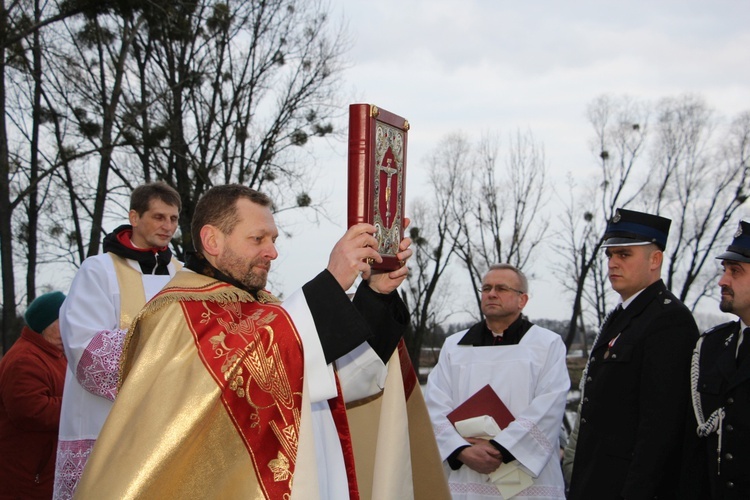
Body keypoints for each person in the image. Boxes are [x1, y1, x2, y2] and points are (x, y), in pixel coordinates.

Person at [74, 184, 448, 499]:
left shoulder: (262, 307)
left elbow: (329, 377)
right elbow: (250, 369)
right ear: (212, 240)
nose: (273, 251)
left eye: (273, 239)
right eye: (258, 239)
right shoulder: (177, 312)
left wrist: (375, 296)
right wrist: (332, 281)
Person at [53, 181, 182, 499]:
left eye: (174, 219)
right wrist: (161, 352)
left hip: (165, 420)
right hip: (105, 419)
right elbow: (84, 343)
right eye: (158, 217)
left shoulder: (182, 275)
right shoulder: (98, 271)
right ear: (134, 217)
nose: (167, 227)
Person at [567, 208, 699, 500]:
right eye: (609, 255)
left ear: (655, 260)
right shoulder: (623, 316)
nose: (612, 263)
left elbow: (660, 429)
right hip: (597, 481)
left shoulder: (669, 320)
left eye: (624, 255)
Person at [423, 263, 569, 499]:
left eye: (501, 288)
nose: (491, 294)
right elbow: (434, 404)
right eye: (486, 288)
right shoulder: (454, 346)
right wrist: (460, 450)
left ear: (522, 300)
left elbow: (549, 406)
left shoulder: (547, 344)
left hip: (527, 479)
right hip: (467, 474)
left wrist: (502, 448)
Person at [681, 220, 750, 498]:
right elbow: (694, 449)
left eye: (736, 272)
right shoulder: (710, 346)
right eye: (724, 271)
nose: (722, 280)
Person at [0, 291, 67, 499]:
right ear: (48, 324)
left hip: (42, 474)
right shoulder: (25, 359)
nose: (72, 324)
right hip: (27, 478)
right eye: (65, 319)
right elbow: (31, 412)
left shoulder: (54, 354)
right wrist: (79, 407)